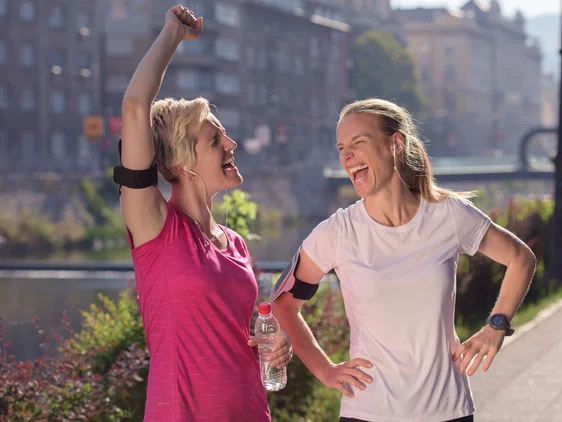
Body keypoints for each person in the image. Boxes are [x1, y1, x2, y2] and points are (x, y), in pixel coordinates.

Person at [271, 98, 537, 422]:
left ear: (395, 143)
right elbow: (283, 303)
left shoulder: (448, 215)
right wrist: (325, 370)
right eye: (341, 148)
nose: (346, 156)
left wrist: (496, 326)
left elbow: (521, 258)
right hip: (367, 411)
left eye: (358, 143)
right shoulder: (337, 232)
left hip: (447, 410)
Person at [114, 6, 292, 421]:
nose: (232, 144)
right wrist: (173, 35)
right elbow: (136, 106)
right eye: (215, 140)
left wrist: (272, 346)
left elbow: (229, 339)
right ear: (180, 163)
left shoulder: (235, 244)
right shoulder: (155, 228)